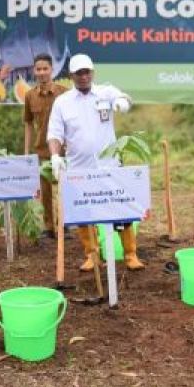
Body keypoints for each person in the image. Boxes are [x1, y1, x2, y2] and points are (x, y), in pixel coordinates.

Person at [46, 54, 142, 272]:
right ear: (71, 76)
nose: (83, 77)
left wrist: (122, 103)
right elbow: (54, 134)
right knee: (84, 214)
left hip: (110, 166)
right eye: (79, 73)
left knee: (120, 208)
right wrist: (54, 155)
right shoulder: (62, 103)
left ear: (93, 73)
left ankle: (130, 254)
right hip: (80, 169)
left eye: (87, 72)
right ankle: (92, 254)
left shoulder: (105, 93)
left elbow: (125, 97)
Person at [23, 53, 67, 240]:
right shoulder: (30, 96)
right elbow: (27, 123)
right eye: (38, 69)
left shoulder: (64, 93)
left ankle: (66, 225)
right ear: (34, 71)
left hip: (63, 151)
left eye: (45, 69)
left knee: (65, 188)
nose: (42, 72)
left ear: (52, 70)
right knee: (46, 192)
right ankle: (48, 227)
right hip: (41, 150)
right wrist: (26, 152)